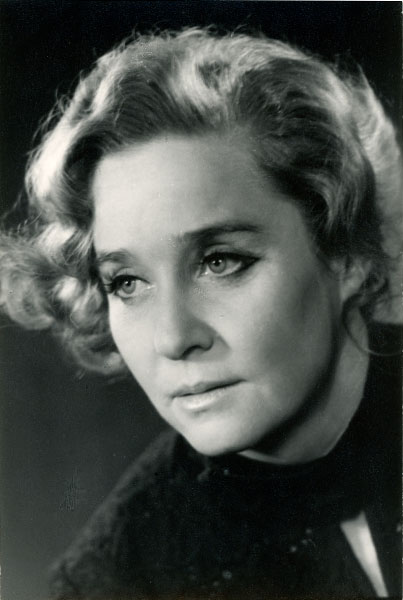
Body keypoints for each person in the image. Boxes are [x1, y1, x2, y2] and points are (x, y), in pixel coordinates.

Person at [0, 27, 401, 599]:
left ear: (347, 254)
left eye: (219, 261)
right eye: (127, 283)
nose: (173, 337)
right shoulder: (116, 582)